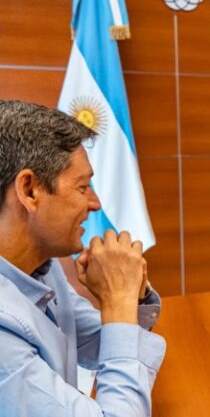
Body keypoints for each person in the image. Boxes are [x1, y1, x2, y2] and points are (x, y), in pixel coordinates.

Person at [0, 100, 166, 414]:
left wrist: (129, 294)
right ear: (29, 190)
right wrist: (118, 301)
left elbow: (94, 343)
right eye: (83, 187)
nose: (95, 203)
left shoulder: (38, 266)